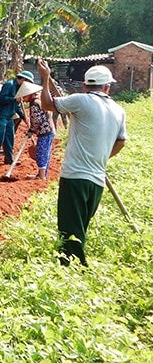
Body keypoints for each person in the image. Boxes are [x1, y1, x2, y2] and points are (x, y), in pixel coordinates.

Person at [37, 60, 127, 266]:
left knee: (70, 229)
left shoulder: (81, 100)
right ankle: (73, 268)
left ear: (86, 85)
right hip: (96, 180)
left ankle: (72, 268)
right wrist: (102, 157)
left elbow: (47, 104)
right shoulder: (119, 110)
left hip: (75, 177)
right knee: (80, 228)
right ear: (107, 87)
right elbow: (121, 141)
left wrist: (44, 78)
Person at [0, 70, 33, 168]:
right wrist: (13, 99)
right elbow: (1, 99)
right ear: (24, 80)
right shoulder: (9, 85)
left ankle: (9, 159)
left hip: (9, 117)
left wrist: (23, 117)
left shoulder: (18, 88)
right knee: (0, 137)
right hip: (1, 116)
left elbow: (17, 106)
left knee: (10, 138)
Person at [18, 85, 55, 180]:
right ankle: (41, 174)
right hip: (48, 130)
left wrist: (32, 130)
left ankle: (42, 176)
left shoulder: (34, 104)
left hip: (45, 132)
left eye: (25, 96)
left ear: (30, 95)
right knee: (45, 153)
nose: (24, 99)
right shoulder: (38, 101)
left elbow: (37, 120)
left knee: (41, 153)